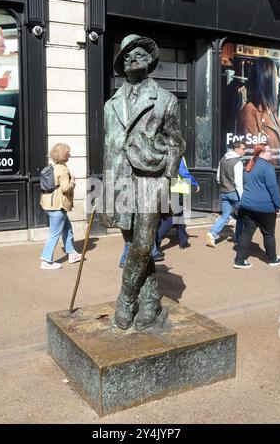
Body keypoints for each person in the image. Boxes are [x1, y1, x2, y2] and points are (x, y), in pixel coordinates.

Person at [99, 34, 185, 331]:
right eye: (125, 55)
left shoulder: (165, 100)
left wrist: (168, 179)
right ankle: (150, 300)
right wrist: (106, 192)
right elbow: (110, 148)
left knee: (143, 243)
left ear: (150, 61)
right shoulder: (111, 104)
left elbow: (176, 143)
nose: (131, 58)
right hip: (121, 181)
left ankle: (125, 298)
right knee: (132, 242)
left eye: (137, 53)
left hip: (151, 178)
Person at [118, 156, 199, 266]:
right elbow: (182, 172)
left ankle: (183, 240)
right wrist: (194, 183)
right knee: (169, 218)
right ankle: (155, 244)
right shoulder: (175, 153)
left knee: (177, 215)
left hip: (162, 189)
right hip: (173, 189)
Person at [234, 144, 280, 269]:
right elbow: (273, 188)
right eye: (268, 151)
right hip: (264, 208)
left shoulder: (249, 166)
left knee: (246, 232)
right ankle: (273, 259)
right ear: (261, 153)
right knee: (268, 233)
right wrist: (278, 206)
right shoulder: (267, 167)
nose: (270, 153)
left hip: (247, 206)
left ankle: (239, 260)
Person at [40, 143, 82, 269]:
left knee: (67, 228)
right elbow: (65, 189)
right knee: (55, 234)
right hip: (58, 206)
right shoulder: (63, 169)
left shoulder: (52, 167)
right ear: (64, 154)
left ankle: (72, 254)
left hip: (48, 204)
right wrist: (73, 181)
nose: (70, 154)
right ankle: (46, 260)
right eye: (68, 152)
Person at [237, 57, 280, 165]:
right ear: (266, 79)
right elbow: (254, 155)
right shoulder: (249, 111)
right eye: (275, 75)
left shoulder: (271, 111)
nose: (278, 80)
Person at [206, 140, 247, 248]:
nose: (245, 151)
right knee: (241, 217)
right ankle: (238, 239)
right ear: (237, 149)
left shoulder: (222, 160)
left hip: (224, 192)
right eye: (243, 149)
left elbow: (218, 178)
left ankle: (212, 233)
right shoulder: (238, 163)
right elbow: (238, 183)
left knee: (225, 215)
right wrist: (242, 198)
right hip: (234, 194)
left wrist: (225, 186)